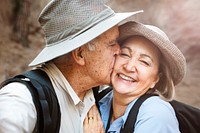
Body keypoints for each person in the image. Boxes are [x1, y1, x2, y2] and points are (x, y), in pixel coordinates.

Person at [0, 0, 142, 132]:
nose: (119, 50)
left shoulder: (95, 93)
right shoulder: (21, 99)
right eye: (111, 44)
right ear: (80, 54)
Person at [97, 21, 186, 133]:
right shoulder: (100, 99)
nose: (129, 67)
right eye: (124, 54)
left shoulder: (157, 114)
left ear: (156, 79)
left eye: (144, 62)